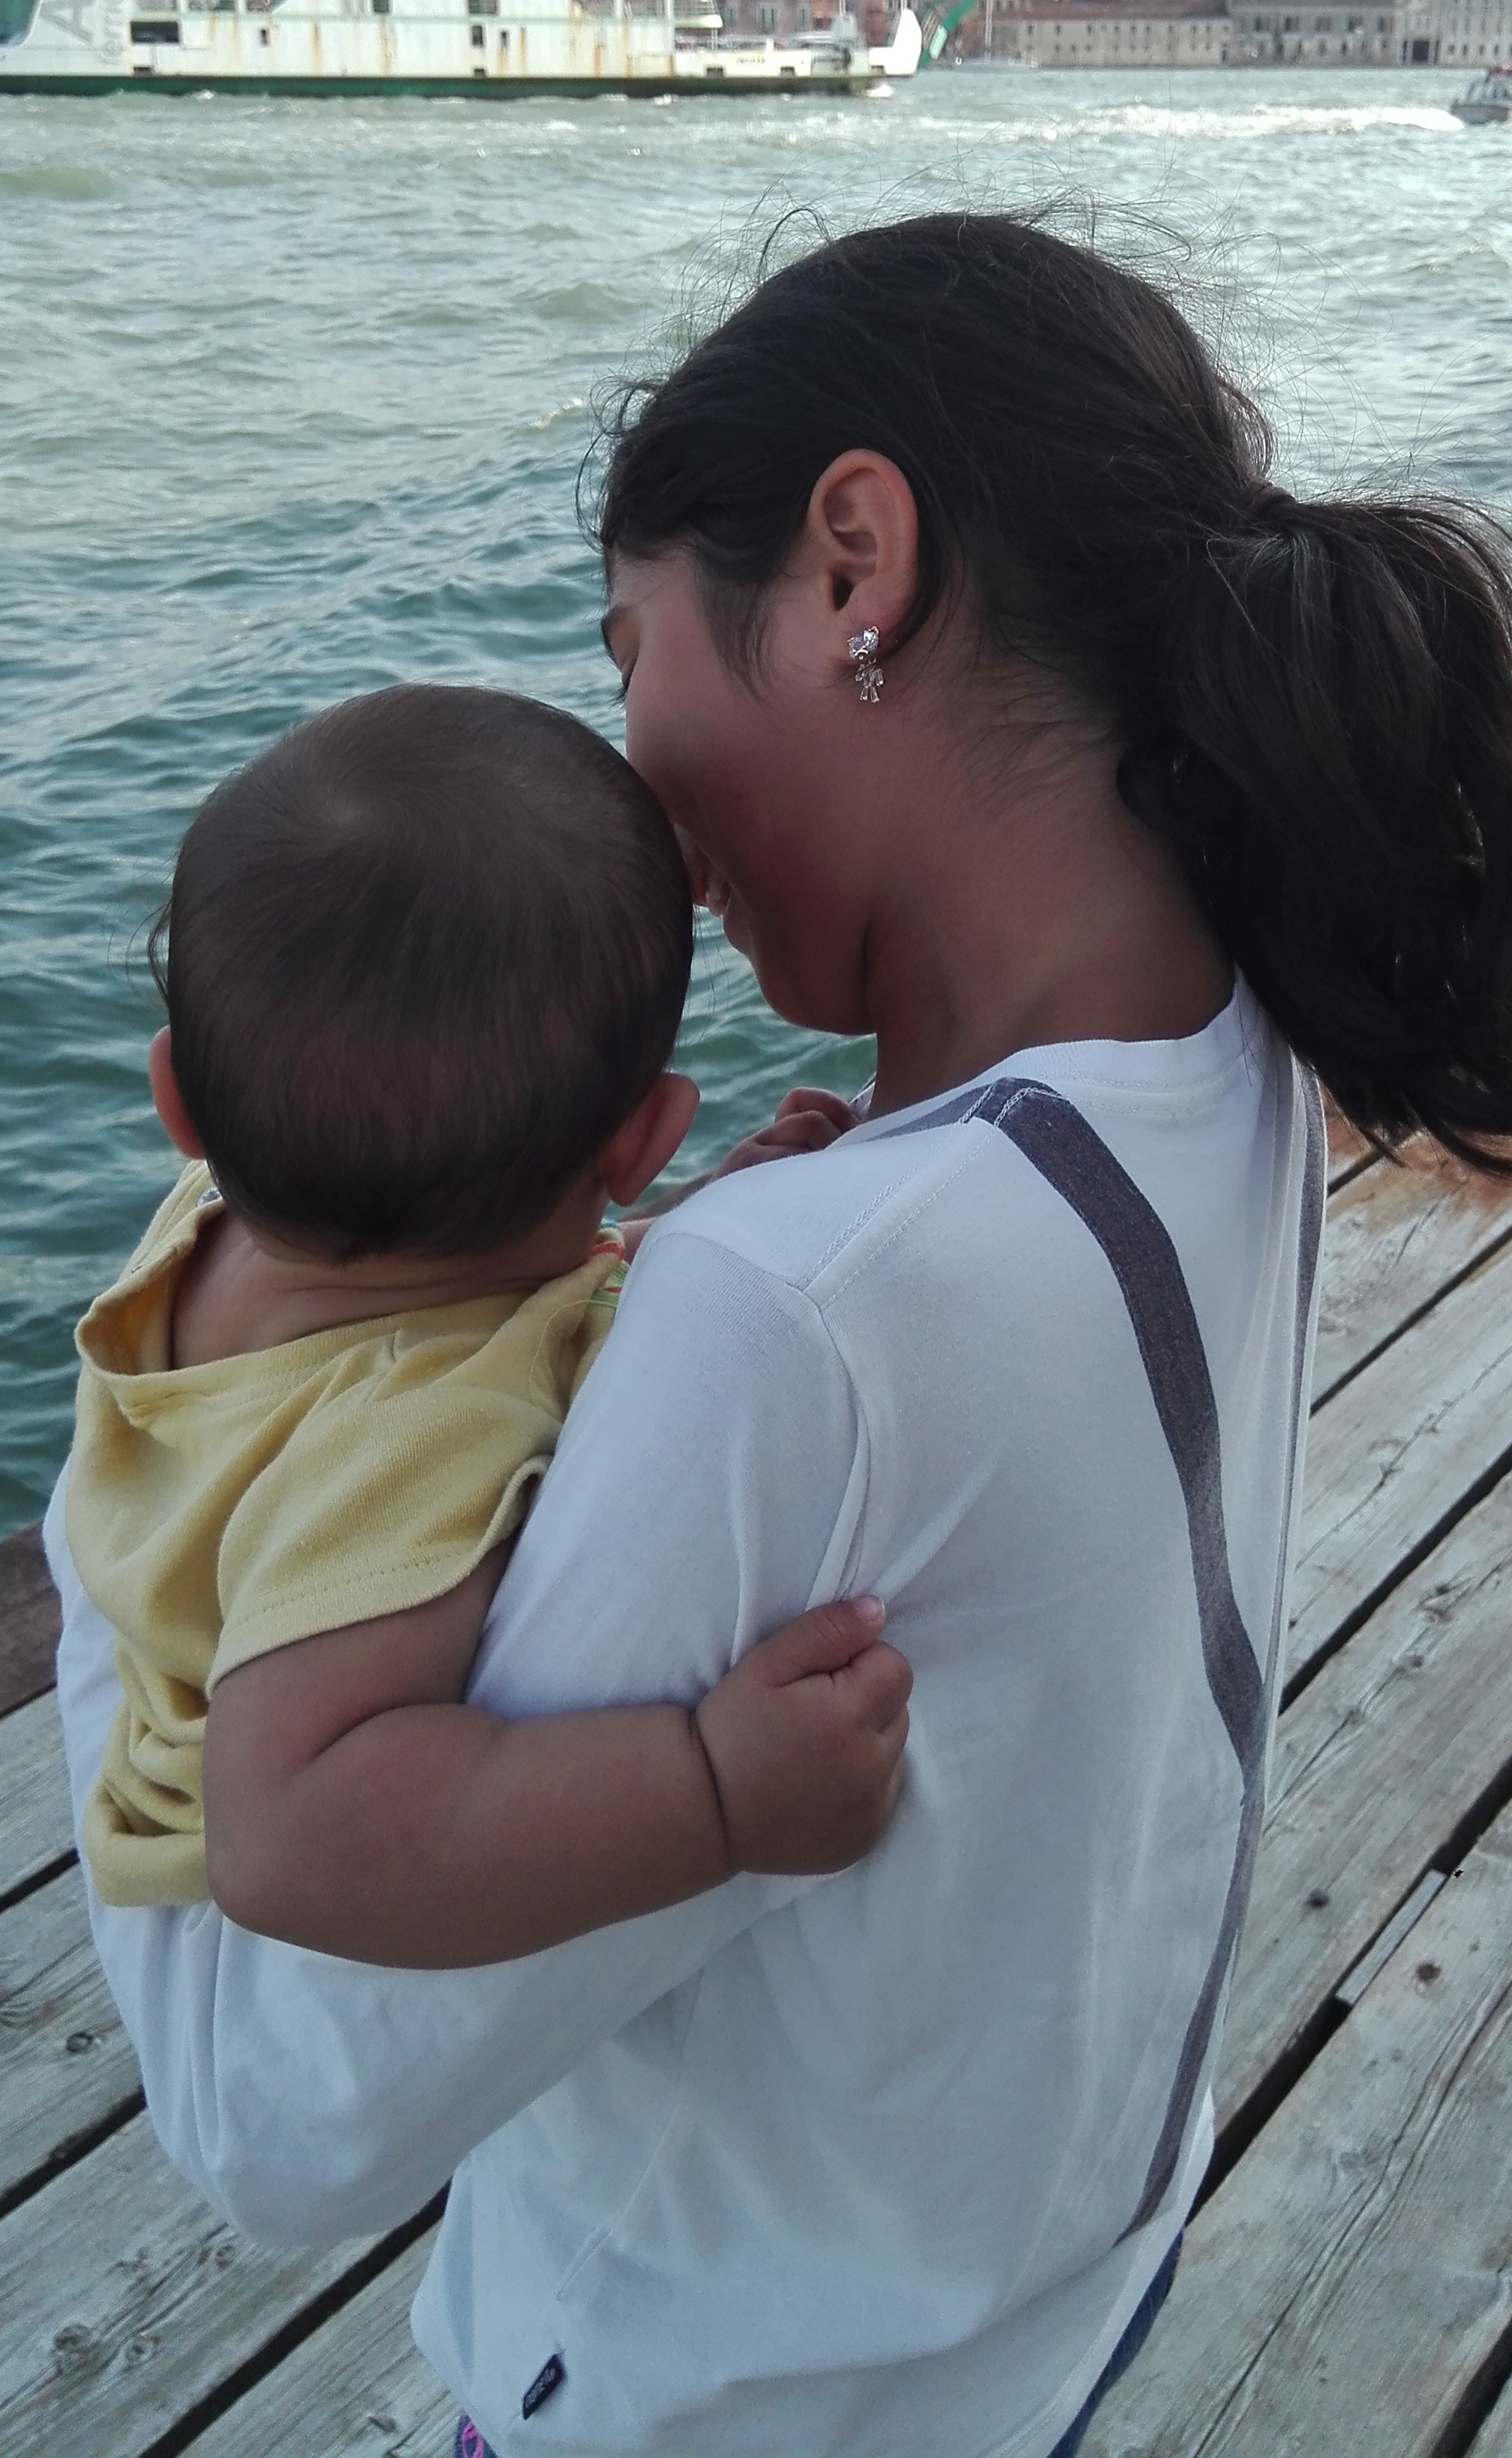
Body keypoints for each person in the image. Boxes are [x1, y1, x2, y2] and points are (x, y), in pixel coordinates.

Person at [49, 214, 1512, 2458]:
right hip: (1033, 2308)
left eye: (628, 655)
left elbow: (273, 2115)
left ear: (850, 565)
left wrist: (155, 1481)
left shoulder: (790, 1313)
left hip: (727, 2404)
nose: (633, 787)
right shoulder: (1227, 1043)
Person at [63, 684, 909, 1967]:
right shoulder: (409, 1445)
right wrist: (716, 1788)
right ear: (642, 1136)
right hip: (274, 1901)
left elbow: (479, 1275)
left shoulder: (207, 1224)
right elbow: (280, 1842)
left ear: (180, 1102)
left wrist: (685, 1221)